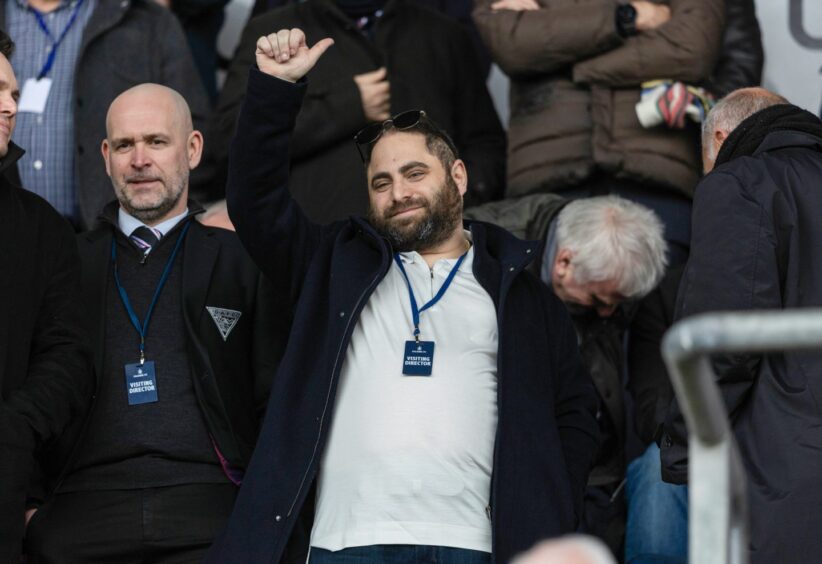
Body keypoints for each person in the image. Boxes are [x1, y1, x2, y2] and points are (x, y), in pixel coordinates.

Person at [206, 28, 599, 564]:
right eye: (381, 182)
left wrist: (545, 509)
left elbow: (575, 416)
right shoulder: (334, 265)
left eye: (415, 173)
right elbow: (254, 201)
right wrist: (274, 90)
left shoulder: (520, 288)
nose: (399, 192)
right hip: (347, 540)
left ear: (457, 176)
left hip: (475, 544)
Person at [23, 83, 286, 563]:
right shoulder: (63, 264)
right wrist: (30, 509)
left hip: (210, 508)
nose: (139, 159)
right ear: (105, 156)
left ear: (193, 149)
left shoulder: (241, 261)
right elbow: (25, 391)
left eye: (157, 142)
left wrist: (263, 509)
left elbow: (275, 397)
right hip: (80, 513)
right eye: (124, 145)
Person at [661, 87, 822, 563]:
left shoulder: (742, 182)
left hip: (788, 472)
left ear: (722, 136)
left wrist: (681, 446)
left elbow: (723, 341)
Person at [465, 194, 667, 555]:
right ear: (563, 262)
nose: (610, 314)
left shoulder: (611, 271)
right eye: (599, 301)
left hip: (593, 464)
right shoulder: (482, 251)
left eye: (618, 304)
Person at [472, 0, 724, 266]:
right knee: (555, 299)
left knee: (658, 300)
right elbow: (513, 44)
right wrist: (628, 17)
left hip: (657, 178)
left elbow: (692, 47)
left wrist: (566, 62)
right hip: (549, 178)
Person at [210, 0, 506, 225]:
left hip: (428, 249)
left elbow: (485, 143)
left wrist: (457, 201)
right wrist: (346, 106)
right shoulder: (274, 33)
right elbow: (230, 142)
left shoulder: (443, 34)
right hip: (316, 252)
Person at [0, 30, 91, 562]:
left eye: (14, 92)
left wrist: (15, 428)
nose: (12, 105)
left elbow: (67, 354)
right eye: (0, 90)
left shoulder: (41, 227)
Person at [2, 0, 210, 230]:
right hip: (9, 234)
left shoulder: (147, 21)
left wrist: (173, 231)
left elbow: (188, 131)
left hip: (111, 242)